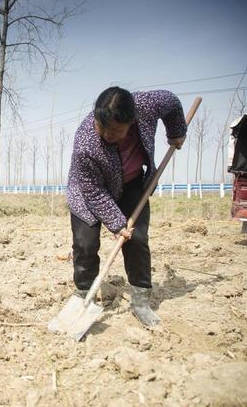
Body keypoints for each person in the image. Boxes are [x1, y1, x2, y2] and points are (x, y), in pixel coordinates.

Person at [66, 87, 187, 327]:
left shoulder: (147, 105)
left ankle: (141, 300)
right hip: (89, 191)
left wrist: (176, 131)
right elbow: (94, 191)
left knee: (138, 239)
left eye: (116, 130)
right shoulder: (85, 144)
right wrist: (117, 223)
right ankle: (83, 295)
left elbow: (172, 102)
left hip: (130, 183)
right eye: (103, 127)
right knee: (85, 243)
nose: (108, 134)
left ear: (131, 121)